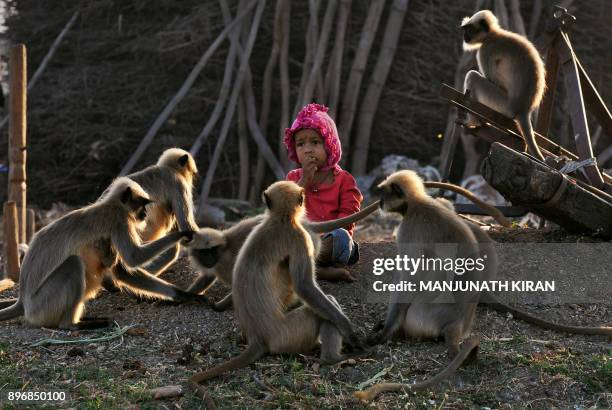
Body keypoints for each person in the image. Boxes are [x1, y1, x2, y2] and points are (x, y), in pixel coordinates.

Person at [284, 103, 362, 282]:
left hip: (329, 241)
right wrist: (304, 181)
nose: (308, 149)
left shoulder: (344, 180)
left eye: (315, 142)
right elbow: (285, 212)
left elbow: (348, 219)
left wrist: (322, 240)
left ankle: (303, 267)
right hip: (299, 242)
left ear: (329, 145)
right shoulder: (293, 178)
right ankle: (318, 271)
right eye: (301, 144)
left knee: (341, 237)